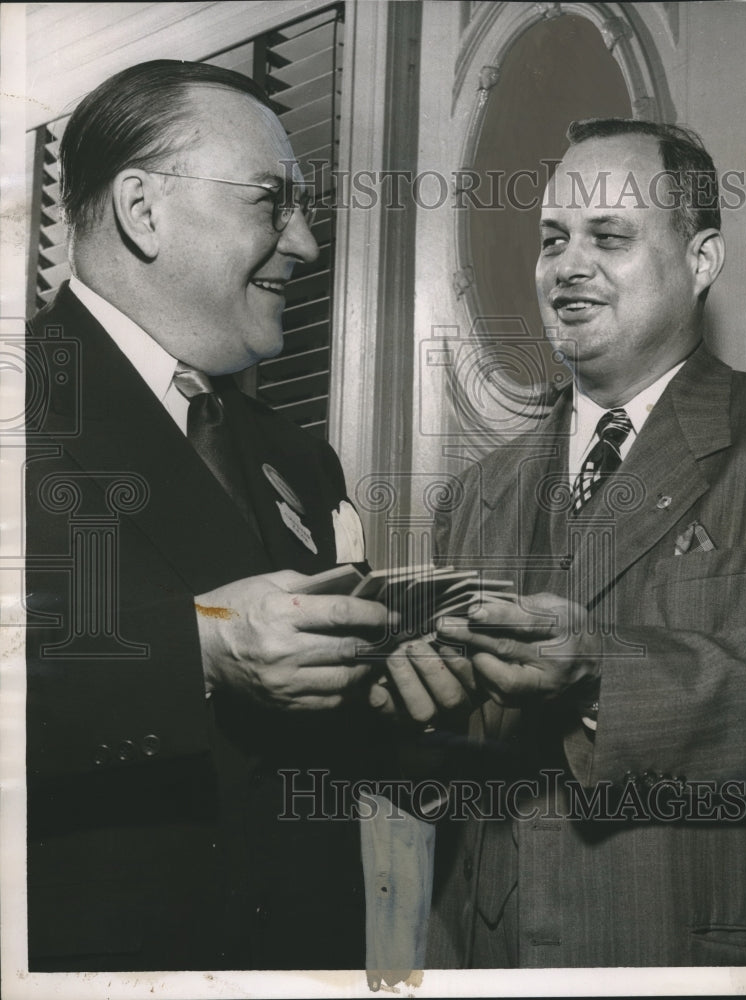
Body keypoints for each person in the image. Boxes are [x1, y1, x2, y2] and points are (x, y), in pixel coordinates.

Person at [25, 60, 396, 972]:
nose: (305, 244)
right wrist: (196, 650)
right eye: (271, 203)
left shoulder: (296, 455)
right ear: (142, 210)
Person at [420, 119, 746, 967]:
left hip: (685, 955)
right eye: (552, 240)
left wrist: (600, 669)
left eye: (609, 236)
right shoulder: (471, 494)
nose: (568, 266)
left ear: (702, 259)